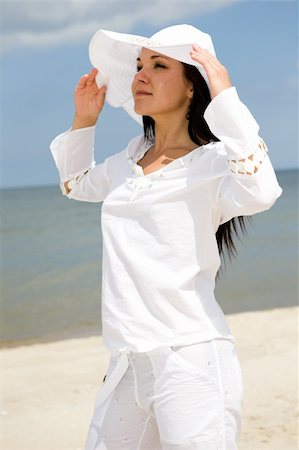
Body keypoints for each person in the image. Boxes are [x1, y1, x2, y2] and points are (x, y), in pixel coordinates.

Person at [50, 24, 282, 450]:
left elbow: (262, 191)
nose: (141, 75)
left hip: (190, 359)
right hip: (127, 361)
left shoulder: (214, 162)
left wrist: (226, 97)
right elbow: (76, 184)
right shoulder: (130, 157)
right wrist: (84, 120)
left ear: (194, 87)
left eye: (159, 66)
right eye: (139, 66)